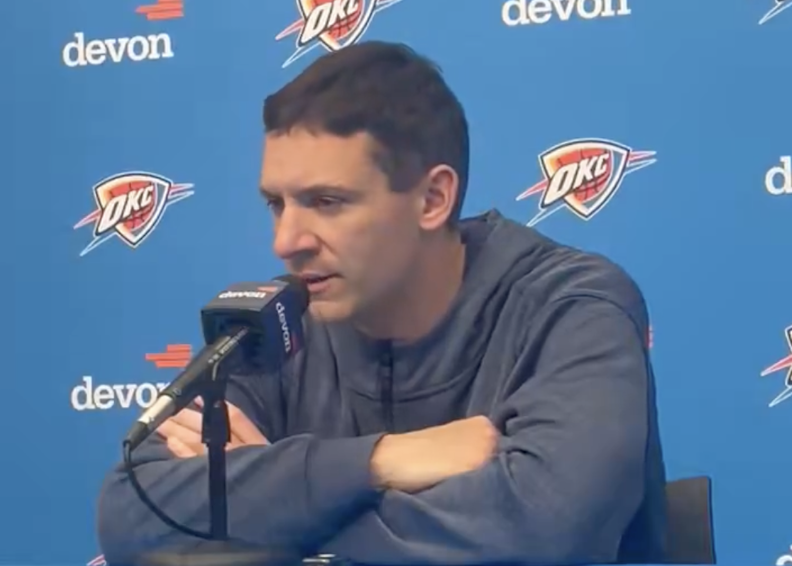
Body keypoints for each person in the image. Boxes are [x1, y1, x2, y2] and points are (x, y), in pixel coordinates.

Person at [96, 41, 666, 565]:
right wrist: (380, 461)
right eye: (277, 204)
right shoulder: (277, 321)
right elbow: (132, 511)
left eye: (327, 201)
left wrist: (278, 502)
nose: (286, 242)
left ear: (432, 198)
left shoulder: (572, 307)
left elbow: (540, 531)